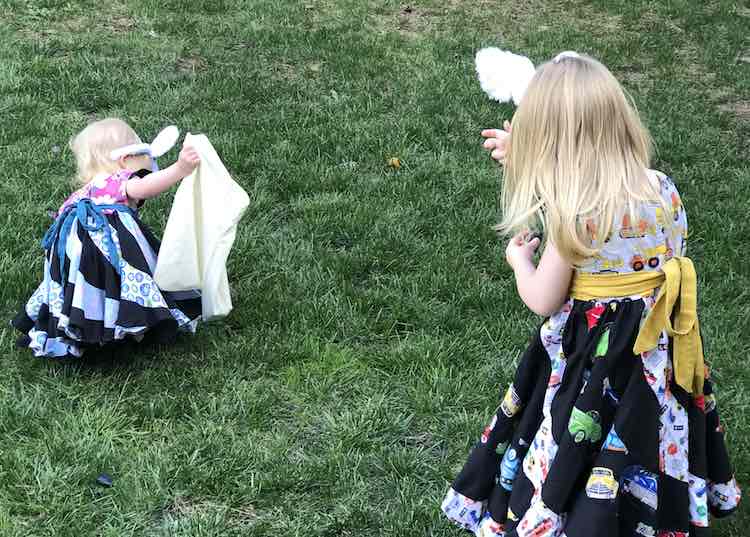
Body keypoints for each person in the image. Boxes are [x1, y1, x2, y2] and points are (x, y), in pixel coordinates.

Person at [441, 52, 740, 537]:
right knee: (648, 433)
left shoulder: (575, 211)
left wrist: (521, 263)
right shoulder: (662, 189)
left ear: (551, 144)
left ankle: (568, 513)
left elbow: (543, 298)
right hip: (657, 352)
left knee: (580, 439)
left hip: (594, 364)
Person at [13, 118, 202, 359]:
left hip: (77, 258)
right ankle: (130, 323)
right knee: (125, 281)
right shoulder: (116, 181)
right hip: (109, 250)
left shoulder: (85, 191)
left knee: (91, 291)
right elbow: (144, 188)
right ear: (125, 159)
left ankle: (86, 327)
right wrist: (180, 169)